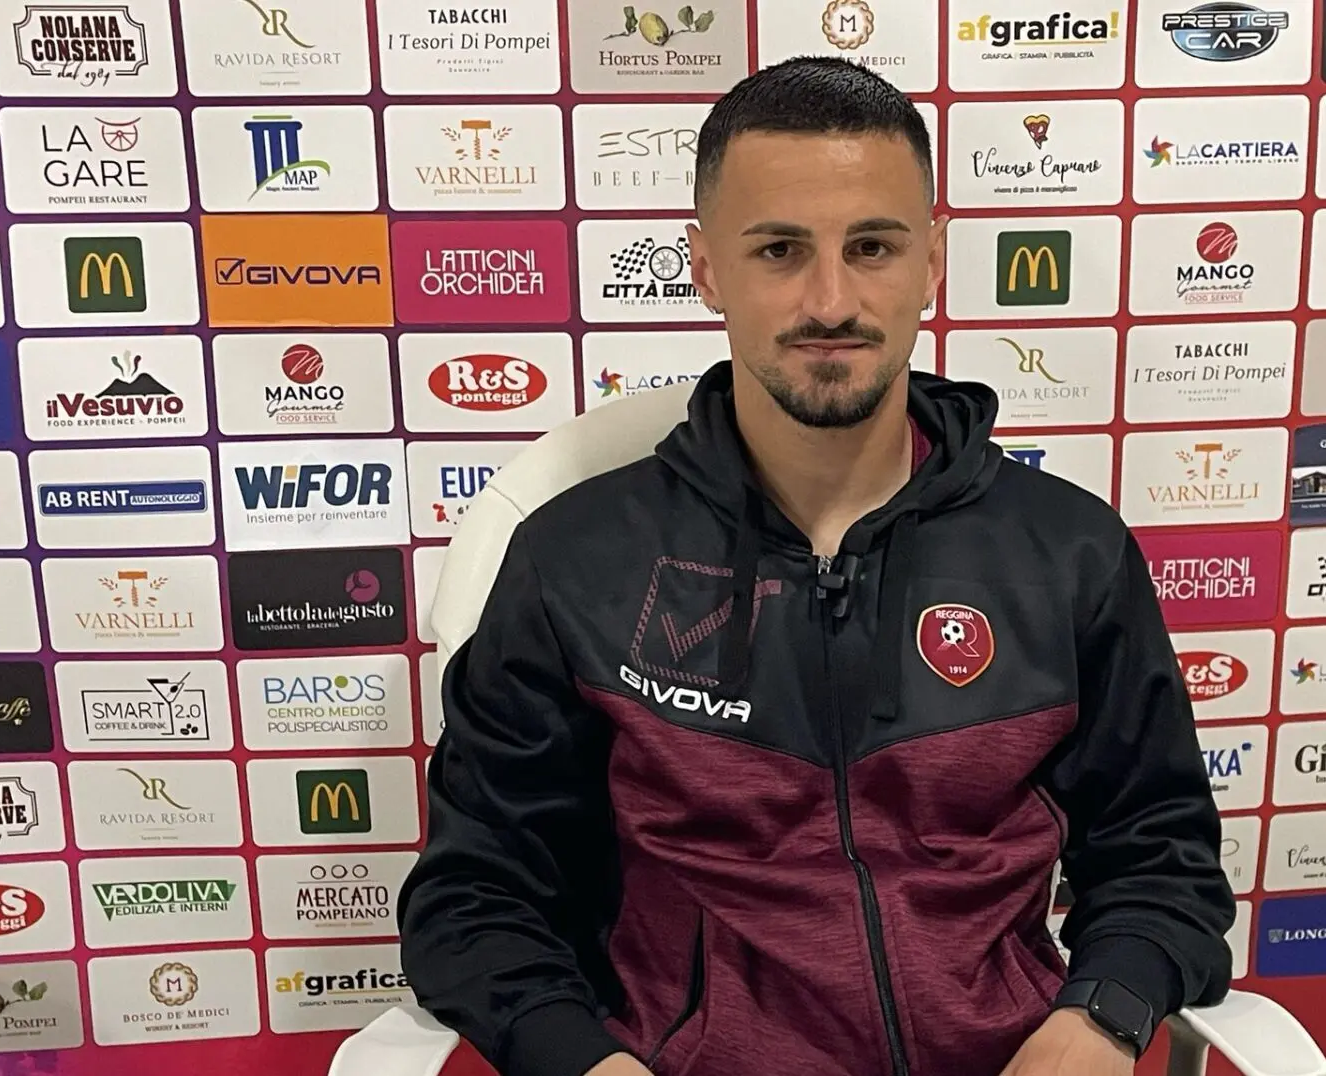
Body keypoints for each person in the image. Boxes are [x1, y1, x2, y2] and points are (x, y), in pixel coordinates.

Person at [399, 56, 1235, 1076]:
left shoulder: (1065, 552)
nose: (831, 301)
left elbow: (1162, 857)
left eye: (872, 246)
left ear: (932, 261)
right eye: (780, 250)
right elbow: (474, 897)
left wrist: (1102, 1015)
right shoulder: (576, 561)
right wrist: (580, 1059)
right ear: (706, 269)